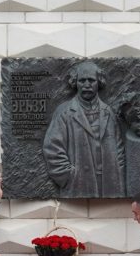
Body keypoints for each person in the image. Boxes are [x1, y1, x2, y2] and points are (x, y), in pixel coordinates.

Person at [43, 60, 124, 198]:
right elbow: (52, 149)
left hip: (109, 184)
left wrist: (118, 175)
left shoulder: (108, 112)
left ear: (99, 82)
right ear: (75, 82)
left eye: (91, 80)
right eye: (82, 80)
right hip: (79, 184)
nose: (87, 85)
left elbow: (119, 149)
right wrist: (70, 177)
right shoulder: (64, 112)